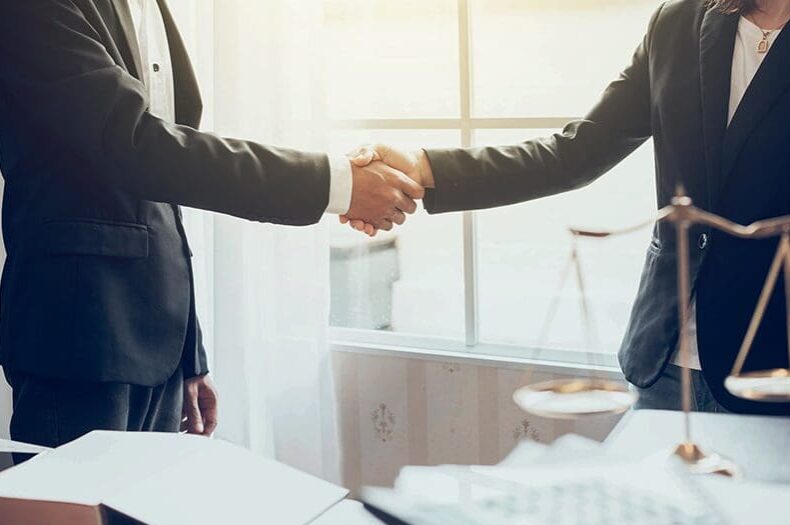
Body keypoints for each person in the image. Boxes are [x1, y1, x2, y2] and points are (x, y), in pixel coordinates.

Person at [0, 0, 423, 454]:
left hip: (159, 348)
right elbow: (138, 147)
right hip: (77, 337)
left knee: (152, 523)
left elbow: (164, 193)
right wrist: (337, 184)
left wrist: (187, 354)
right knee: (72, 521)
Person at [344, 0, 790, 416]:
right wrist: (422, 168)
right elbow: (574, 153)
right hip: (666, 362)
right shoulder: (679, 22)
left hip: (774, 366)